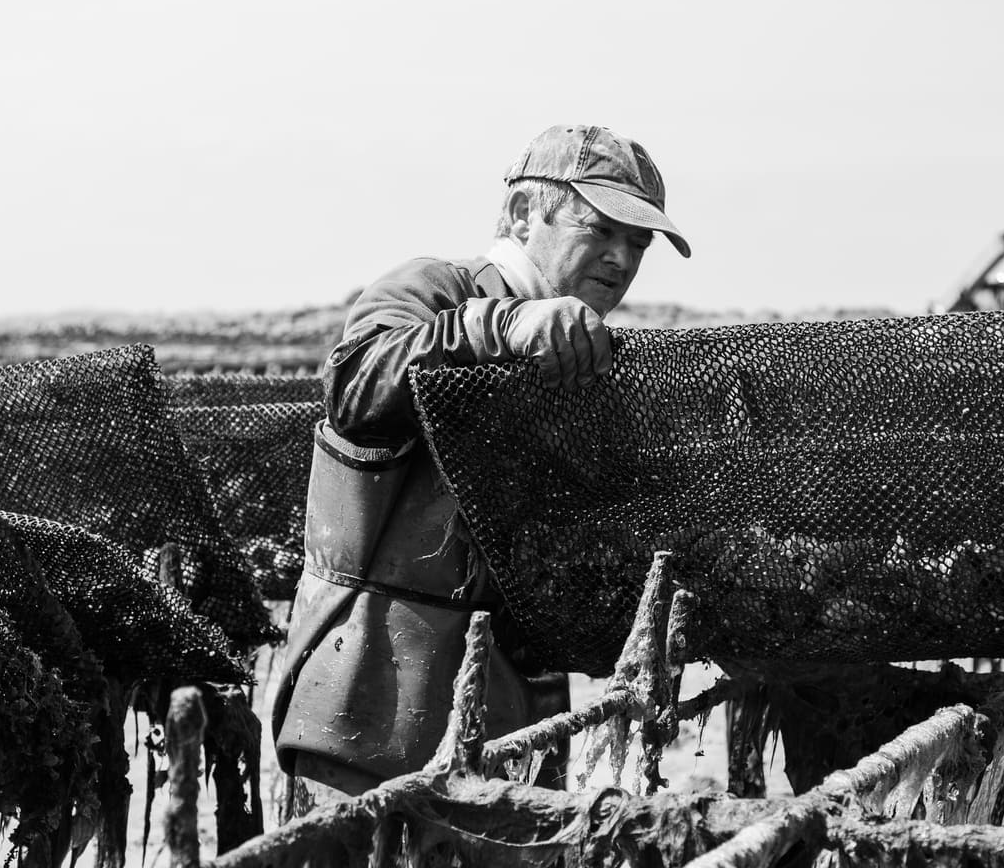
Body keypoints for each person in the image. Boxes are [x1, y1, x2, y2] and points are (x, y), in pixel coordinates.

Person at [272, 124, 691, 798]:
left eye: (636, 243)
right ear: (524, 215)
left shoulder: (586, 361)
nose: (620, 258)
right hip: (368, 714)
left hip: (518, 723)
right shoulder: (436, 289)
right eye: (601, 229)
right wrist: (494, 326)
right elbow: (353, 385)